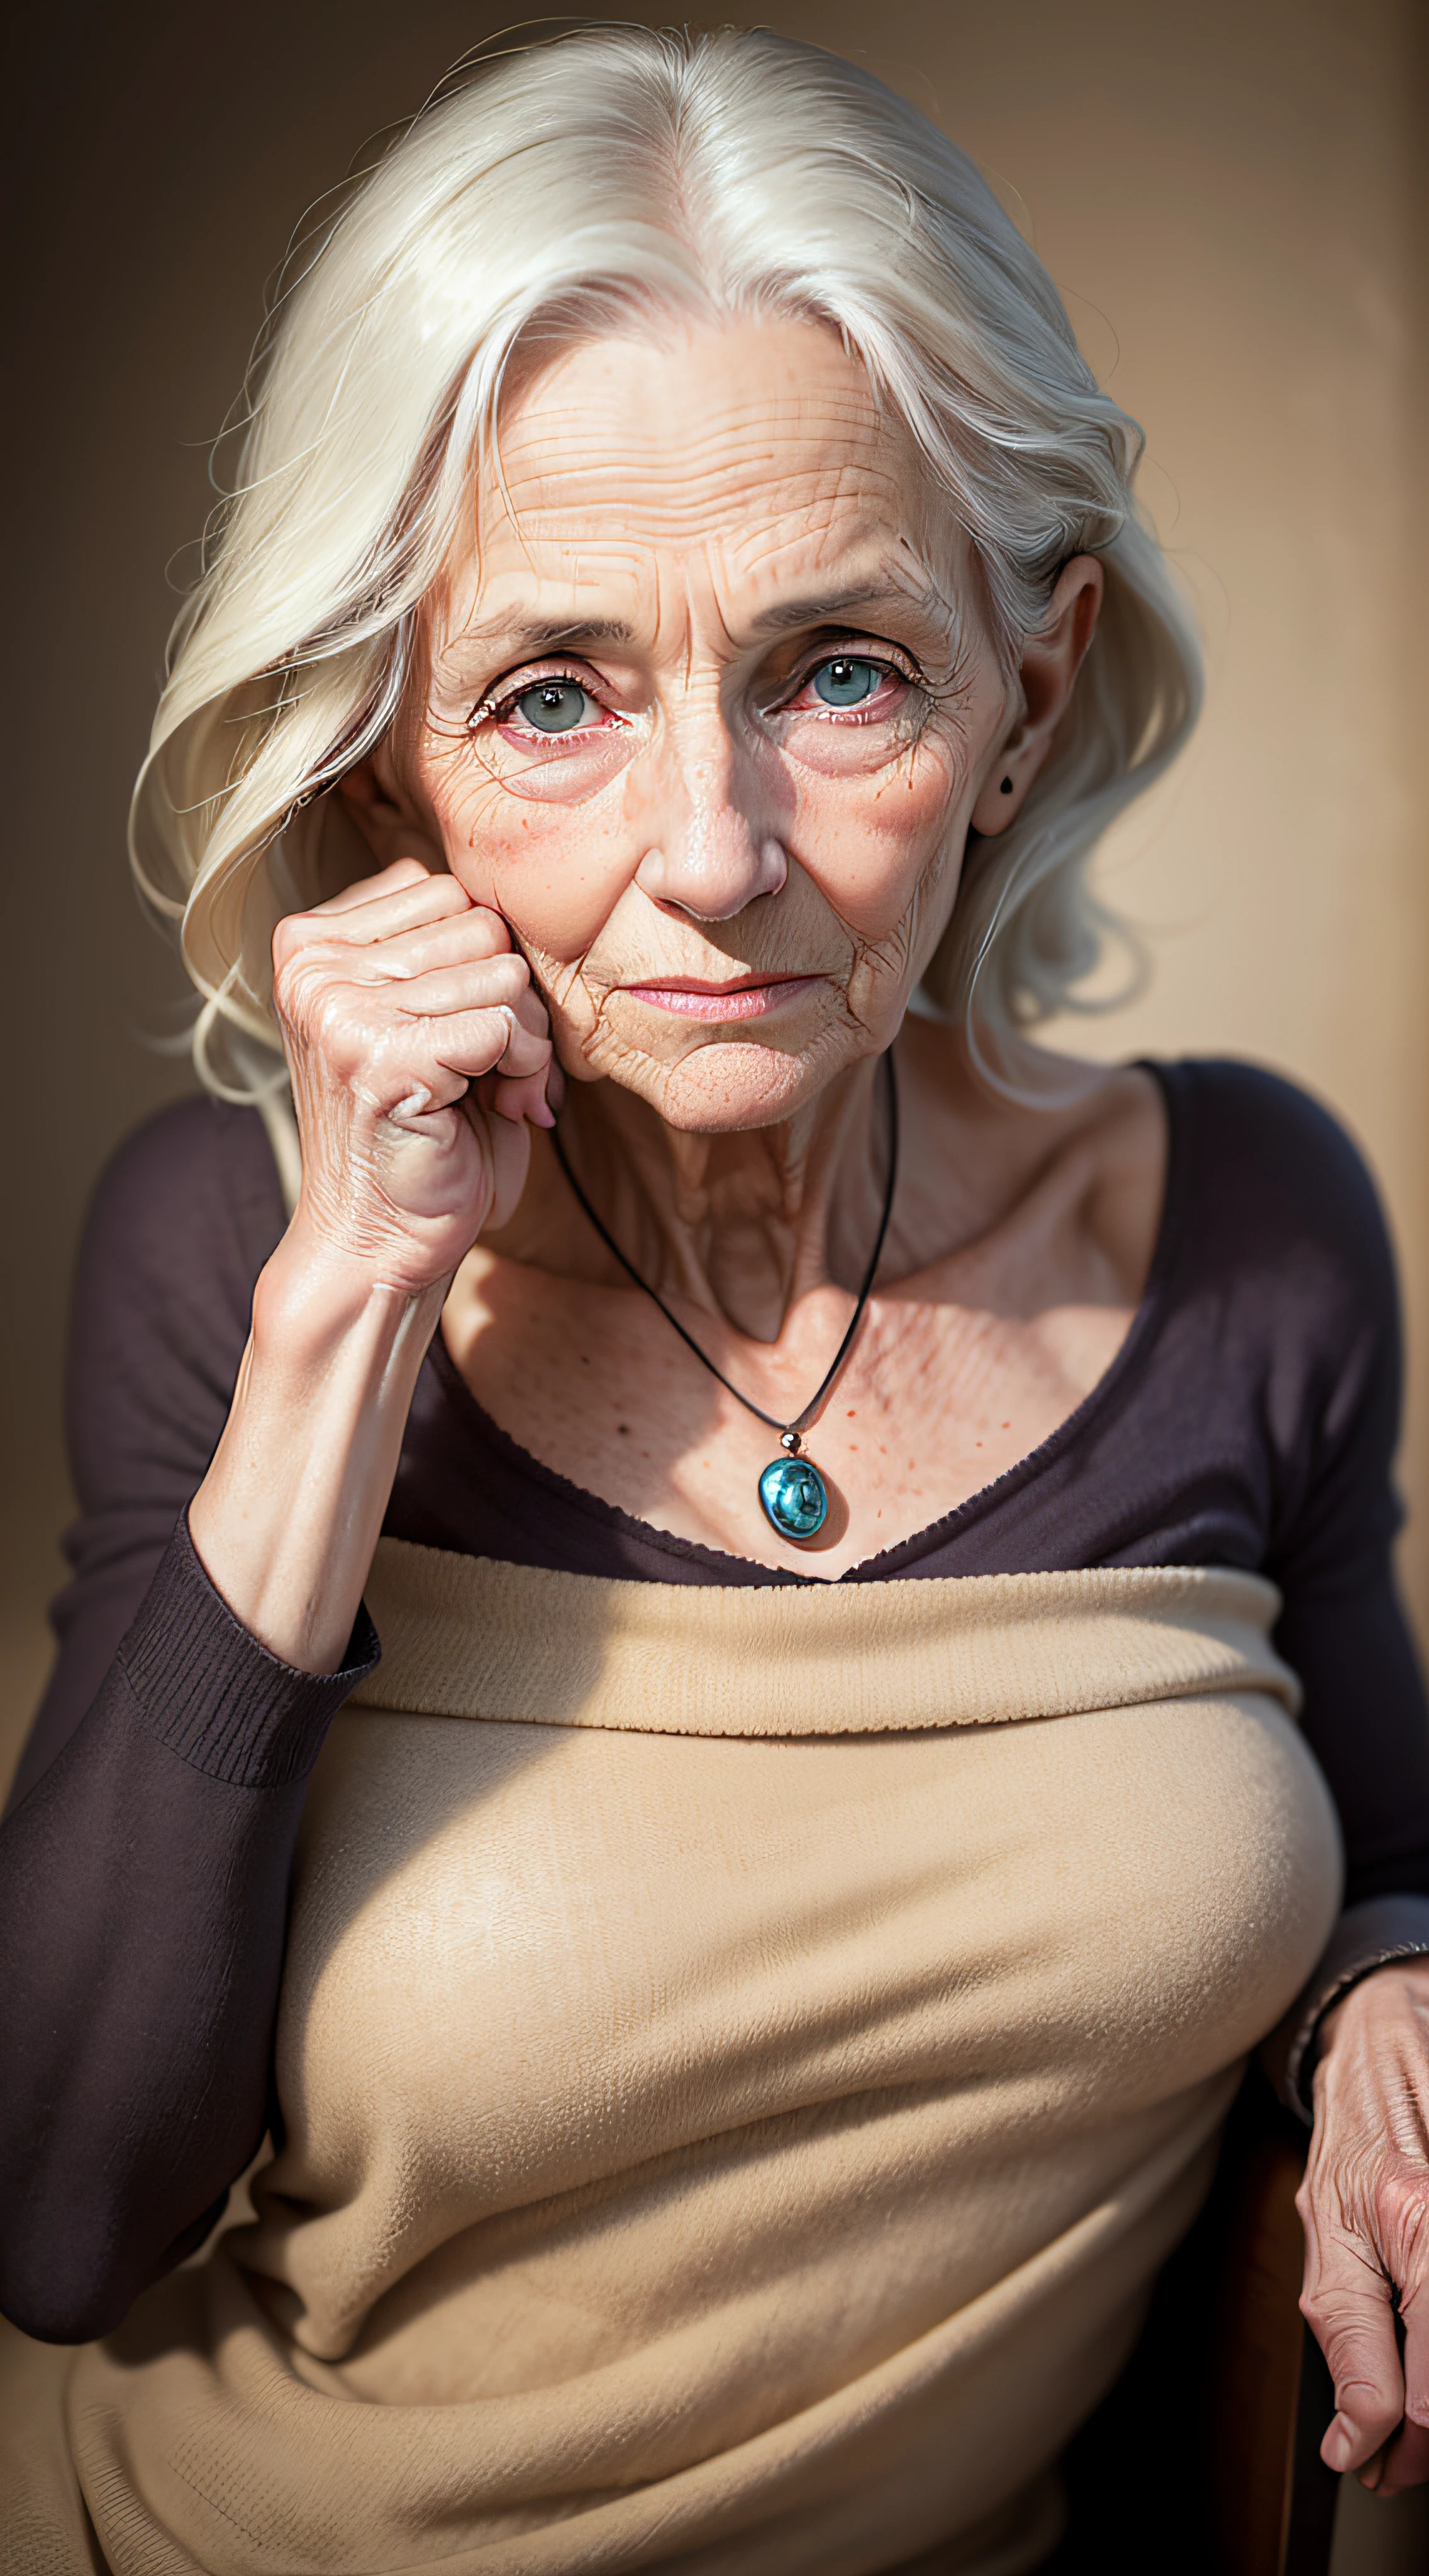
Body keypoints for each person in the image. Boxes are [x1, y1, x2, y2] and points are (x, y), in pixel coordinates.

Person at [2, 26, 1426, 2573]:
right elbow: (63, 2215)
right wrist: (345, 1310)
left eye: (836, 672)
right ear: (391, 772)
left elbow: (1390, 1853)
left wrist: (1397, 1991)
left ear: (1027, 691)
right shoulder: (227, 1260)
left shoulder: (1251, 1235)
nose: (712, 853)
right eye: (550, 694)